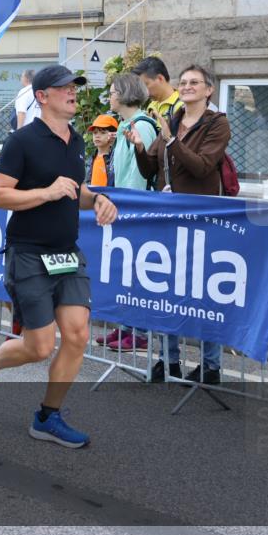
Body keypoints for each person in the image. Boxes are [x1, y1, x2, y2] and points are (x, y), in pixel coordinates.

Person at [0, 64, 118, 449]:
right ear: (42, 96)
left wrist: (97, 199)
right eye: (64, 88)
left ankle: (48, 417)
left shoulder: (76, 140)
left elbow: (74, 190)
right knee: (40, 346)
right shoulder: (22, 141)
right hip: (29, 253)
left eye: (74, 87)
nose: (72, 92)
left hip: (67, 254)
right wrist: (46, 193)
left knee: (78, 335)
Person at [126, 64, 230, 385]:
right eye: (183, 82)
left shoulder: (217, 123)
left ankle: (210, 366)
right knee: (167, 291)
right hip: (169, 221)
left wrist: (172, 142)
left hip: (201, 221)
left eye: (194, 82)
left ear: (208, 90)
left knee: (203, 294)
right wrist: (140, 147)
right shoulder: (171, 120)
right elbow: (150, 169)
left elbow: (202, 167)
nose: (186, 87)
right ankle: (169, 361)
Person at [96, 73, 156, 350]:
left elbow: (138, 174)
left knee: (137, 274)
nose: (109, 96)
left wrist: (127, 208)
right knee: (126, 272)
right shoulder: (124, 126)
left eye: (112, 92)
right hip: (125, 207)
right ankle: (125, 327)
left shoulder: (141, 126)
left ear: (123, 94)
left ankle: (139, 332)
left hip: (135, 211)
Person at [133, 56, 182, 123]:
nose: (143, 91)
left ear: (160, 78)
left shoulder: (181, 106)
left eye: (145, 85)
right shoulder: (151, 106)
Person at [86, 114, 117, 187]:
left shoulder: (116, 159)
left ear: (113, 135)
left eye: (103, 132)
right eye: (95, 133)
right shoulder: (90, 160)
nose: (97, 136)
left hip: (110, 194)